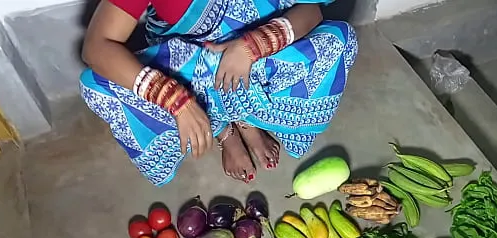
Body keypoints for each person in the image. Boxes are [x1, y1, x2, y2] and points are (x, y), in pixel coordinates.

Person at [80, 0, 358, 187]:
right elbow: (96, 47)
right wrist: (176, 101)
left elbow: (312, 11)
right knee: (101, 85)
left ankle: (248, 119)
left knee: (339, 41)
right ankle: (224, 129)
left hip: (260, 60)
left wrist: (253, 46)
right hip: (194, 73)